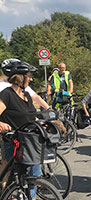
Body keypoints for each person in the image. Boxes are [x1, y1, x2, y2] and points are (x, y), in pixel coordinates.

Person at [0, 59, 41, 199]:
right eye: (28, 75)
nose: (30, 78)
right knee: (11, 175)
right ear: (20, 77)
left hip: (29, 141)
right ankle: (8, 194)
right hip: (13, 141)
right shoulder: (7, 94)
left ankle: (31, 197)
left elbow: (31, 117)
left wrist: (42, 123)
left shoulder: (26, 95)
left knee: (34, 174)